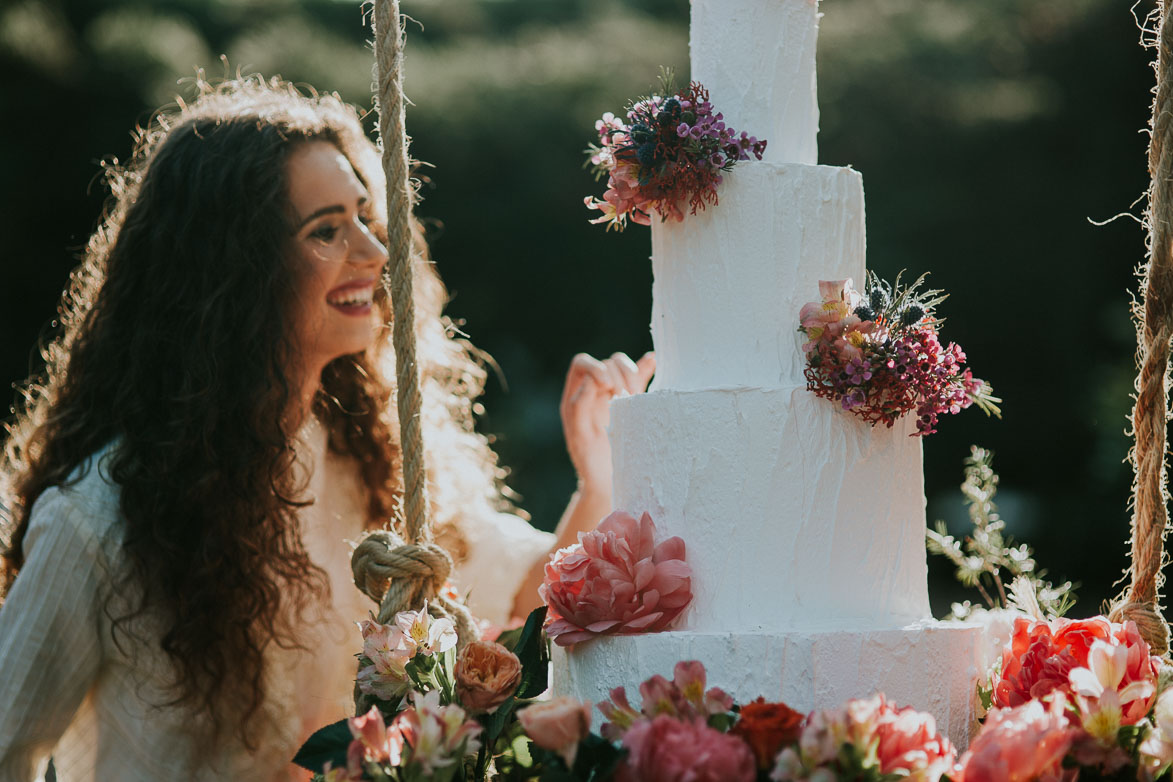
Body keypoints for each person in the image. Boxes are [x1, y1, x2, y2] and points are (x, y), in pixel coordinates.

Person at [0, 76, 654, 781]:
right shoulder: (98, 514)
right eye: (325, 231)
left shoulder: (371, 458)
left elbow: (522, 603)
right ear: (231, 271)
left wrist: (594, 479)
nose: (374, 253)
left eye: (365, 216)